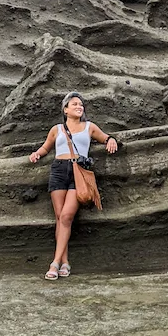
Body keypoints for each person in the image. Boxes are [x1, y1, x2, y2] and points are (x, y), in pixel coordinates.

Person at [29, 91, 118, 280]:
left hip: (78, 172)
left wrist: (111, 141)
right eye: (75, 104)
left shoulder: (89, 127)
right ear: (66, 109)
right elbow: (47, 147)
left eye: (81, 105)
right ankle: (65, 262)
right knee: (60, 217)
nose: (79, 107)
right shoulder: (57, 129)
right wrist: (37, 153)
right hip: (59, 170)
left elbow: (105, 137)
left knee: (67, 216)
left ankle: (54, 263)